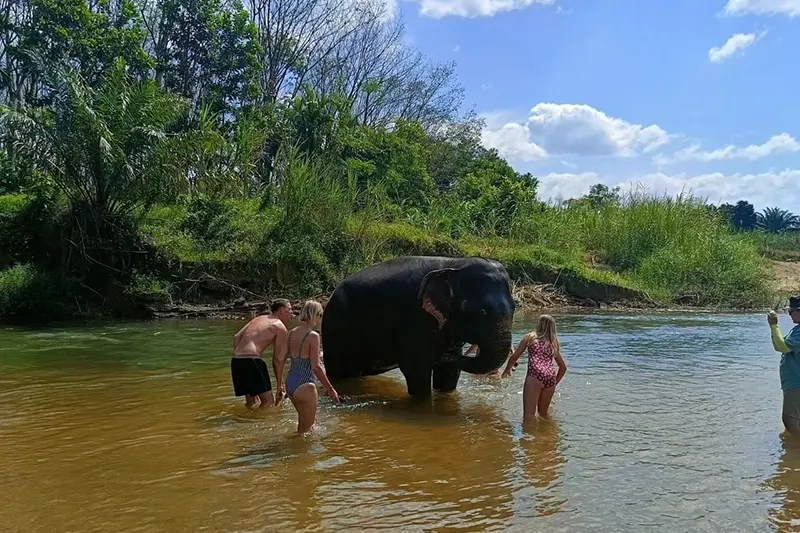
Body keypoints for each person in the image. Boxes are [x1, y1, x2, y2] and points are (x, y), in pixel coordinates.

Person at [274, 300, 340, 434]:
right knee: (306, 431)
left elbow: (280, 359)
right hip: (306, 385)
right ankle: (295, 452)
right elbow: (316, 367)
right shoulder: (313, 336)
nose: (320, 319)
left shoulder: (291, 333)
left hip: (291, 384)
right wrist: (330, 389)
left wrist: (279, 385)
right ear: (315, 315)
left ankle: (303, 452)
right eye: (320, 315)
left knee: (310, 424)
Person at [502, 314, 567, 422]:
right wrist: (554, 383)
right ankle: (545, 436)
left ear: (539, 324)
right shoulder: (553, 343)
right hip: (550, 376)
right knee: (543, 415)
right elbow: (563, 367)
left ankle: (529, 438)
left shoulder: (530, 337)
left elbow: (515, 356)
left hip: (535, 375)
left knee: (529, 416)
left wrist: (507, 370)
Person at [230, 299, 293, 408]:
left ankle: (245, 422)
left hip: (237, 360)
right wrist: (280, 385)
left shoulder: (259, 319)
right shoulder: (280, 327)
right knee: (268, 402)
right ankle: (264, 424)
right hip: (252, 361)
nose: (292, 313)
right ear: (282, 310)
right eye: (290, 310)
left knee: (251, 402)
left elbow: (236, 337)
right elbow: (277, 360)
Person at [768, 296, 800, 436]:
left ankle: (794, 451)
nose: (789, 314)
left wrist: (774, 325)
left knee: (789, 419)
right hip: (793, 381)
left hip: (796, 382)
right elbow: (778, 345)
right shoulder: (796, 329)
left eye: (791, 311)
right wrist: (774, 329)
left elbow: (783, 347)